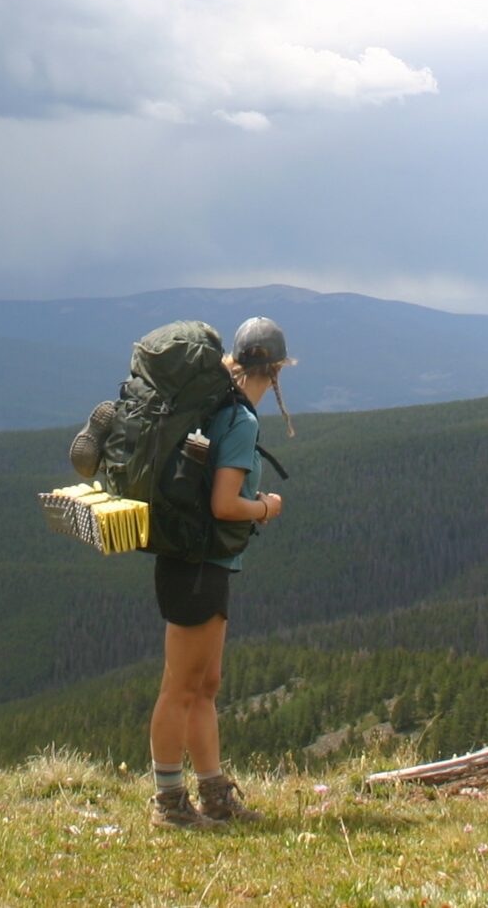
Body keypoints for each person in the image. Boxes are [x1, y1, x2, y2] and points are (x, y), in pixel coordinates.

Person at [148, 315, 292, 831]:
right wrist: (267, 508)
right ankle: (170, 804)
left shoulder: (213, 407)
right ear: (276, 371)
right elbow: (226, 504)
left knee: (205, 683)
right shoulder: (241, 420)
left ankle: (213, 794)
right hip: (200, 564)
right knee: (180, 686)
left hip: (194, 561)